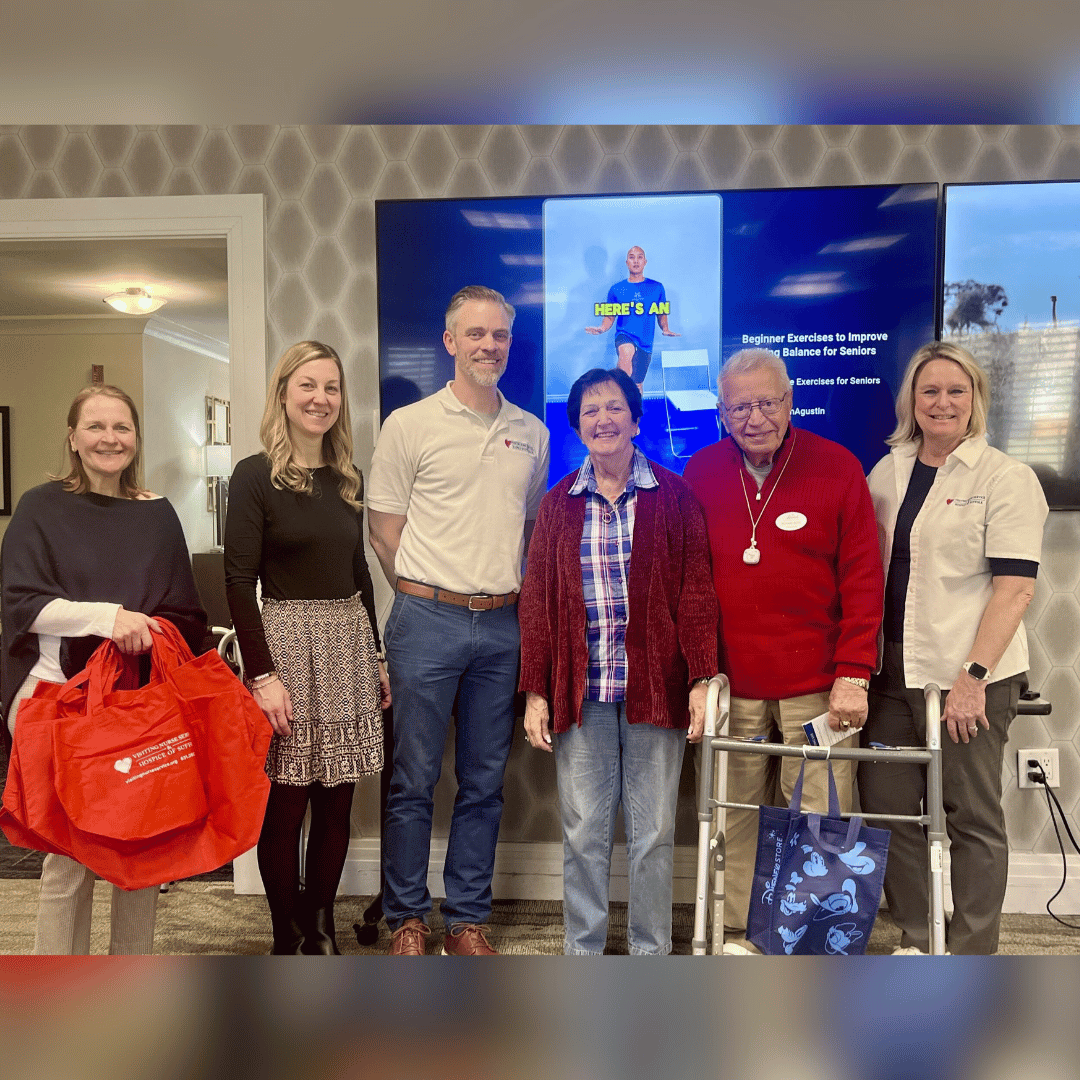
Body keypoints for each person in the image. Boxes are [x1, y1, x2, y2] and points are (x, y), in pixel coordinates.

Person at [368, 285, 549, 956]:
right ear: (450, 342)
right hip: (425, 621)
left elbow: (527, 531)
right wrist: (424, 595)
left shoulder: (532, 432)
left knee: (483, 781)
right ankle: (406, 920)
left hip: (502, 629)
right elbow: (384, 533)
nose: (488, 345)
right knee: (412, 778)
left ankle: (465, 920)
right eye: (475, 334)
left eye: (499, 335)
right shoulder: (408, 425)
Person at [682, 348, 883, 950]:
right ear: (721, 413)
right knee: (733, 816)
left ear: (790, 401)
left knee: (819, 817)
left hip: (820, 684)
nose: (754, 417)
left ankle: (810, 937)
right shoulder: (701, 472)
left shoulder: (837, 466)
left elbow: (863, 577)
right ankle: (743, 933)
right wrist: (699, 674)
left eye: (767, 402)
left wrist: (855, 672)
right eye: (739, 406)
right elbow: (688, 584)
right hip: (732, 684)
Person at [1, 384, 207, 955]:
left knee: (139, 854)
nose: (109, 439)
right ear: (72, 437)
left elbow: (186, 611)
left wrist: (153, 630)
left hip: (138, 706)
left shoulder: (158, 514)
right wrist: (109, 617)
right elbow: (21, 601)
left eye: (121, 427)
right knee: (67, 858)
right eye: (95, 427)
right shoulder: (40, 508)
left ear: (136, 439)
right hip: (55, 698)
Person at [518, 367, 718, 955]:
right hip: (581, 694)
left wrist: (703, 679)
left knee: (655, 834)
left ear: (635, 419)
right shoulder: (558, 506)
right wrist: (536, 690)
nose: (602, 420)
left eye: (613, 408)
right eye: (589, 411)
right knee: (583, 834)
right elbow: (538, 603)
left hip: (656, 690)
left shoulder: (676, 498)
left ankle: (649, 953)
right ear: (577, 425)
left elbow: (698, 593)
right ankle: (584, 952)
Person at [860, 341, 1047, 955]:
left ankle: (971, 955)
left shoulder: (1006, 477)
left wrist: (973, 678)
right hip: (892, 675)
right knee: (888, 811)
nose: (942, 403)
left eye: (956, 391)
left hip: (970, 679)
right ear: (911, 401)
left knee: (970, 815)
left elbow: (1014, 590)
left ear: (975, 402)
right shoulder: (885, 472)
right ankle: (920, 937)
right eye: (929, 390)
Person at [224, 340, 390, 955]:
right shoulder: (254, 475)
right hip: (286, 647)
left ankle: (320, 924)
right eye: (308, 386)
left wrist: (375, 658)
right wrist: (262, 676)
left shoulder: (348, 476)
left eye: (332, 388)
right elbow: (239, 582)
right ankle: (285, 929)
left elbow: (360, 575)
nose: (321, 399)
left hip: (347, 643)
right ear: (284, 394)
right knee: (287, 803)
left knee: (338, 797)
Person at [585, 246, 679, 391]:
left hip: (646, 342)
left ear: (645, 262)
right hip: (624, 335)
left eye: (639, 257)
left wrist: (665, 328)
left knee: (637, 384)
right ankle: (616, 395)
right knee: (626, 355)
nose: (636, 261)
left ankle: (634, 411)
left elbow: (661, 313)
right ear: (627, 262)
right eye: (632, 257)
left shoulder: (657, 287)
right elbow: (610, 315)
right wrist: (602, 328)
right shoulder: (616, 289)